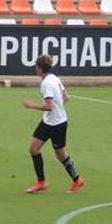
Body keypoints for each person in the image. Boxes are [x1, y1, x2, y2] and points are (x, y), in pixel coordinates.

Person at [21, 54, 85, 194]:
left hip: (57, 125)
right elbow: (66, 97)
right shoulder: (54, 78)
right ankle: (41, 182)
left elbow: (49, 106)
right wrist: (58, 108)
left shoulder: (46, 84)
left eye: (36, 67)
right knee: (33, 148)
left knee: (60, 155)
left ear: (39, 68)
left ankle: (77, 179)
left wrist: (31, 105)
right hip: (50, 121)